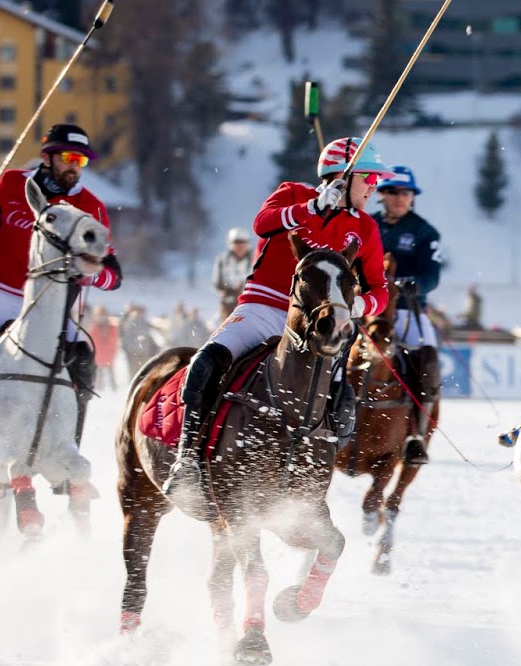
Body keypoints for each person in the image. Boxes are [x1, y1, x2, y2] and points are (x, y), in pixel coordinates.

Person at [163, 137, 394, 502]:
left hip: (320, 326)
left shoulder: (364, 227)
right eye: (370, 178)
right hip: (262, 308)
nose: (374, 187)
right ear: (343, 176)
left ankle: (312, 476)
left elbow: (380, 288)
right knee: (206, 363)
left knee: (341, 397)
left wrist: (356, 307)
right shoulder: (292, 194)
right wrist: (312, 208)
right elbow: (262, 224)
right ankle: (187, 459)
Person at [0, 123, 122, 454]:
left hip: (49, 307)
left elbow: (114, 274)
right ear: (47, 157)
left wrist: (92, 273)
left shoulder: (91, 207)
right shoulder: (11, 184)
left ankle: (69, 447)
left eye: (81, 161)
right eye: (68, 157)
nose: (74, 167)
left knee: (83, 360)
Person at [372, 164, 443, 466]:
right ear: (382, 194)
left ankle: (416, 434)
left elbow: (433, 275)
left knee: (426, 360)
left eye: (406, 193)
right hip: (369, 309)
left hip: (406, 311)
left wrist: (415, 284)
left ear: (413, 197)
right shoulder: (368, 225)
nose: (400, 198)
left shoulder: (425, 232)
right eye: (394, 192)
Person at [212, 227, 254, 320]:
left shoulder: (255, 259)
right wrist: (228, 289)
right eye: (236, 243)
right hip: (228, 302)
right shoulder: (222, 260)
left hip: (250, 301)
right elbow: (217, 282)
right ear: (231, 244)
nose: (240, 246)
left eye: (242, 243)